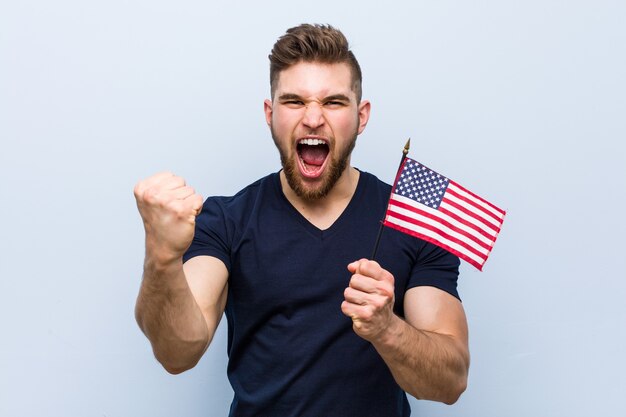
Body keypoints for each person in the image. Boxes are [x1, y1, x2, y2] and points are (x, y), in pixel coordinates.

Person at [133, 24, 469, 416]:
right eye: (294, 101)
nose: (312, 118)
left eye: (333, 102)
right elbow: (177, 352)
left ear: (361, 117)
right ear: (270, 113)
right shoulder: (226, 220)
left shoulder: (414, 215)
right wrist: (161, 255)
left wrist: (387, 329)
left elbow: (451, 381)